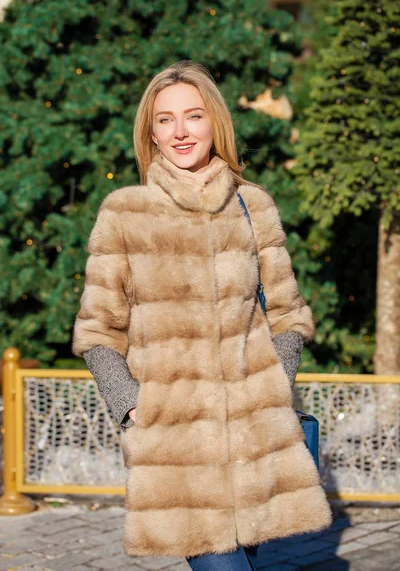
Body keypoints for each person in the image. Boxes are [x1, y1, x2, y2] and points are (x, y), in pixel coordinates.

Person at [72, 60, 332, 570]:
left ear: (215, 122)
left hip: (256, 441)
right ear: (150, 130)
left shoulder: (252, 206)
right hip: (176, 449)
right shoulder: (125, 212)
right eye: (165, 119)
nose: (180, 131)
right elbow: (100, 329)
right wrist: (133, 409)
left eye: (193, 116)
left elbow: (287, 313)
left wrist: (272, 388)